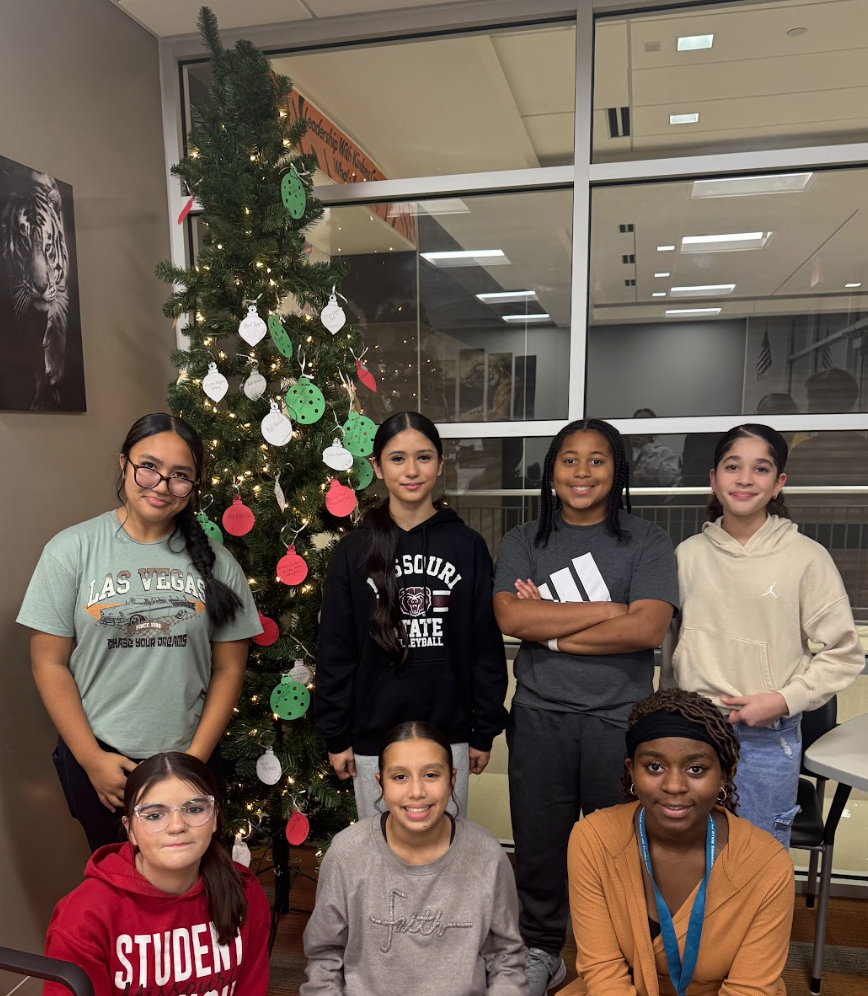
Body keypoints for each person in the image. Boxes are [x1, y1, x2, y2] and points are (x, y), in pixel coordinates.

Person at [493, 418, 679, 995]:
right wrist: (609, 611)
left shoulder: (647, 540)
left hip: (619, 721)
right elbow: (511, 618)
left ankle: (620, 959)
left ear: (617, 471)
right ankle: (542, 951)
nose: (582, 471)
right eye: (569, 459)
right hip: (540, 714)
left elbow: (647, 629)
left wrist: (549, 625)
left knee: (621, 848)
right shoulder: (525, 539)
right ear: (551, 472)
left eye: (597, 460)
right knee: (540, 843)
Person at [18, 413, 262, 851]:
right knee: (119, 891)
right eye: (148, 466)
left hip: (191, 755)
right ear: (124, 464)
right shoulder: (70, 551)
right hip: (102, 761)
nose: (161, 485)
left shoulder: (219, 564)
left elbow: (229, 670)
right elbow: (48, 662)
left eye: (180, 476)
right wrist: (91, 760)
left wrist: (193, 763)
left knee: (193, 888)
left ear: (194, 485)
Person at [663, 423, 863, 847]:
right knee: (689, 856)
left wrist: (783, 699)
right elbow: (673, 646)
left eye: (761, 469)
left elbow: (843, 654)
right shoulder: (687, 555)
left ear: (778, 484)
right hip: (691, 731)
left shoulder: (807, 558)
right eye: (733, 466)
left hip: (766, 739)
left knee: (758, 861)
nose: (745, 479)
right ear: (713, 479)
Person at [315, 411, 508, 818]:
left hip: (449, 734)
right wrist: (336, 735)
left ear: (440, 464)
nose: (411, 470)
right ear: (377, 467)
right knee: (380, 855)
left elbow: (484, 646)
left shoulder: (468, 545)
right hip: (373, 739)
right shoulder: (353, 551)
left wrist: (483, 731)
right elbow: (336, 650)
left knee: (444, 851)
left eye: (423, 457)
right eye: (397, 458)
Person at [564, 689, 794, 996]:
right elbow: (603, 971)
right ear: (632, 770)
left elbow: (749, 989)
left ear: (725, 774)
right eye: (654, 767)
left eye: (696, 769)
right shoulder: (593, 839)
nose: (674, 785)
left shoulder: (767, 865)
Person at [300, 721, 528, 996]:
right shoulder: (347, 853)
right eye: (399, 777)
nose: (417, 792)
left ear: (452, 779)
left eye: (431, 775)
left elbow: (507, 959)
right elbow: (324, 958)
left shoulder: (488, 856)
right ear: (380, 783)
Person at [43, 751, 270, 996]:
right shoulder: (83, 917)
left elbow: (251, 986)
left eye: (194, 809)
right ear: (130, 831)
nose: (177, 826)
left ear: (214, 818)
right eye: (154, 815)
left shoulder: (244, 887)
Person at [629, 408, 680, 488]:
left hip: (653, 497)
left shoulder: (665, 452)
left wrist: (647, 448)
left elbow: (669, 479)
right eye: (638, 422)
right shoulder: (625, 452)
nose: (642, 426)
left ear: (653, 427)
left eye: (646, 422)